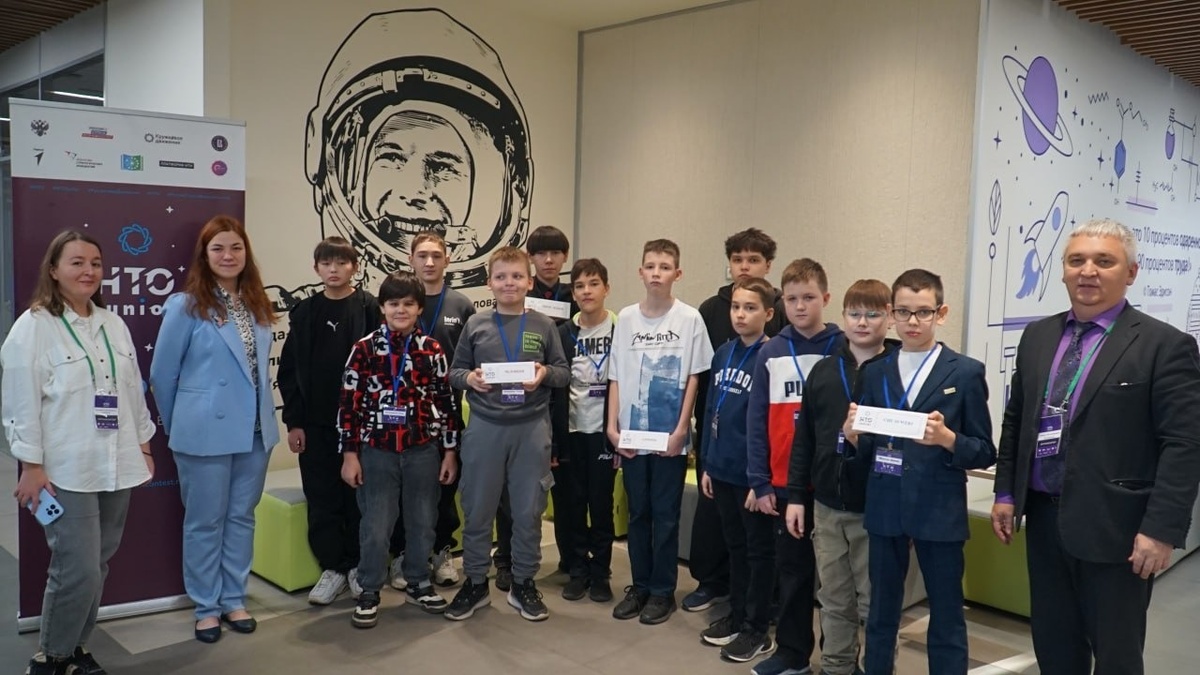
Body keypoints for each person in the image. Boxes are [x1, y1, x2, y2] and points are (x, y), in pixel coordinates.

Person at [991, 218, 1200, 675]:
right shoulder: (1038, 336)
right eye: (1077, 260)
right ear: (1064, 270)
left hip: (1118, 530)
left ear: (1131, 272)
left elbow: (1184, 445)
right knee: (1054, 646)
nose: (1088, 271)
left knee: (1116, 656)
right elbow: (1017, 420)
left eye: (1104, 261)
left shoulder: (1165, 346)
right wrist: (1005, 492)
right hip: (1044, 520)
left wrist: (1161, 529)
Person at [3, 231, 156, 675]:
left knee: (98, 565)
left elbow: (132, 391)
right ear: (53, 270)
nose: (88, 271)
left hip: (117, 462)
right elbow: (20, 401)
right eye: (76, 262)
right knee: (78, 569)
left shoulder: (113, 324)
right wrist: (31, 464)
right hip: (64, 469)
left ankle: (74, 649)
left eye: (95, 263)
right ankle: (50, 657)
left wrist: (144, 446)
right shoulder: (33, 326)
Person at [842, 269, 996, 675]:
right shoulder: (875, 371)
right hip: (885, 504)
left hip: (938, 508)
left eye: (923, 312)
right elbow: (867, 445)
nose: (913, 322)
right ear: (891, 312)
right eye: (904, 312)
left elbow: (984, 451)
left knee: (946, 612)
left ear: (940, 313)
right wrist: (852, 437)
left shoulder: (964, 372)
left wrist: (948, 439)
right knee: (880, 611)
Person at [150, 215, 279, 644]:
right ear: (204, 256)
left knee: (241, 518)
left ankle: (233, 599)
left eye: (236, 247)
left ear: (246, 253)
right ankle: (206, 607)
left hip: (255, 431)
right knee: (205, 522)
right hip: (204, 432)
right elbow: (162, 374)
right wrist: (183, 425)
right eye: (218, 248)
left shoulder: (257, 304)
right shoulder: (186, 305)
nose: (228, 256)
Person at [445, 246, 570, 622]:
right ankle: (475, 583)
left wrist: (544, 374)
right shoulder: (476, 324)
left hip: (531, 429)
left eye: (517, 276)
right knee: (478, 508)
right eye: (501, 277)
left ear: (530, 282)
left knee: (529, 511)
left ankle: (523, 583)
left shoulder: (544, 325)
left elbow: (563, 372)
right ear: (490, 282)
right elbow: (455, 372)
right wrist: (470, 379)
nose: (509, 283)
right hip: (486, 428)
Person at [787, 279, 898, 675]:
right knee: (833, 598)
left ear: (889, 317)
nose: (862, 322)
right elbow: (804, 439)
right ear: (843, 317)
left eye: (873, 314)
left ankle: (877, 667)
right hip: (827, 506)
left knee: (875, 602)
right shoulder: (824, 370)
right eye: (854, 314)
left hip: (877, 510)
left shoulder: (898, 371)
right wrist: (796, 496)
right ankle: (836, 666)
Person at [338, 271, 460, 628]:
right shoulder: (364, 349)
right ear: (382, 307)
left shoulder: (432, 350)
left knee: (423, 521)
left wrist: (449, 451)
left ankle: (418, 581)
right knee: (376, 525)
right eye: (393, 303)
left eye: (409, 303)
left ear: (420, 308)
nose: (401, 310)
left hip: (423, 449)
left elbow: (446, 402)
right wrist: (349, 454)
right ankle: (370, 588)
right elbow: (348, 404)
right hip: (377, 450)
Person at [607, 239, 713, 625]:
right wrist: (611, 427)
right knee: (639, 513)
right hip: (632, 437)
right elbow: (616, 376)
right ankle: (639, 586)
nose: (656, 273)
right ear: (640, 272)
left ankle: (662, 590)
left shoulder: (690, 319)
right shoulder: (626, 318)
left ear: (677, 274)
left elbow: (694, 378)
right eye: (650, 266)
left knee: (666, 515)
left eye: (665, 267)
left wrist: (682, 430)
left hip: (669, 438)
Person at [746, 258, 843, 675]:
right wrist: (760, 480)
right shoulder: (770, 351)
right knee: (793, 574)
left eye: (809, 297)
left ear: (825, 298)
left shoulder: (842, 348)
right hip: (785, 485)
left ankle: (839, 658)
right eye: (791, 299)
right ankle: (792, 653)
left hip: (833, 486)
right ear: (781, 302)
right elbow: (756, 420)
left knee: (837, 584)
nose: (800, 306)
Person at [687, 227, 787, 613]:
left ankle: (757, 609)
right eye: (737, 260)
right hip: (719, 447)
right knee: (721, 528)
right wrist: (706, 455)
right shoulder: (715, 321)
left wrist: (763, 474)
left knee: (756, 542)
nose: (744, 267)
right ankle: (717, 588)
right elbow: (708, 390)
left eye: (753, 260)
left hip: (755, 460)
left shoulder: (776, 339)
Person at [278, 236, 381, 605]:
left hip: (362, 425)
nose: (334, 269)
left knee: (360, 498)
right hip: (316, 425)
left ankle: (358, 566)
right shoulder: (305, 312)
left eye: (341, 262)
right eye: (326, 263)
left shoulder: (370, 308)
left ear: (355, 266)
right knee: (322, 497)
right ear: (316, 268)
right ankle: (333, 568)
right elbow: (289, 371)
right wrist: (294, 422)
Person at [388, 231, 476, 591]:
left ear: (447, 260)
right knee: (401, 487)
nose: (429, 262)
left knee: (444, 484)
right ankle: (403, 554)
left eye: (436, 256)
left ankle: (441, 550)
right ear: (410, 259)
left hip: (445, 411)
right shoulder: (398, 301)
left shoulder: (461, 305)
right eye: (422, 255)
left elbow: (472, 360)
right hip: (399, 415)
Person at [696, 277, 776, 663]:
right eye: (736, 307)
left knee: (758, 553)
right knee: (735, 548)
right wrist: (708, 463)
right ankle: (739, 614)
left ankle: (757, 628)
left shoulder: (771, 356)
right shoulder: (723, 353)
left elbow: (771, 427)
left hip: (752, 477)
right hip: (722, 468)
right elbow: (711, 408)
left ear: (769, 313)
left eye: (750, 308)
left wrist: (761, 480)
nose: (741, 315)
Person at [550, 258, 617, 603]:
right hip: (571, 432)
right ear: (572, 293)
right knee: (572, 505)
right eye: (579, 286)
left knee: (601, 505)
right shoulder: (563, 333)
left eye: (593, 284)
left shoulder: (619, 331)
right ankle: (577, 570)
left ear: (606, 288)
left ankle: (601, 571)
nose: (586, 291)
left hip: (604, 433)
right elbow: (554, 387)